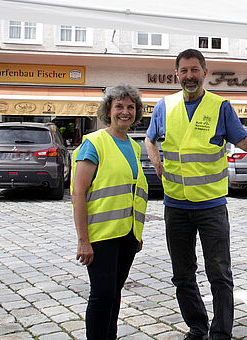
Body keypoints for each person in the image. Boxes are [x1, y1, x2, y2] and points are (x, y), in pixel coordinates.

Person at [145, 49, 247, 340]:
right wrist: (155, 161)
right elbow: (149, 138)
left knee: (219, 274)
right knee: (182, 275)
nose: (189, 76)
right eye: (184, 71)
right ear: (176, 74)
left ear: (205, 72)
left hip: (211, 207)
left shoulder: (220, 107)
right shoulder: (164, 106)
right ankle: (197, 327)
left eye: (195, 70)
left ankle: (221, 333)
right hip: (175, 206)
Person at [71, 84, 148, 340]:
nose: (125, 112)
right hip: (100, 236)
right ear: (109, 110)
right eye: (119, 106)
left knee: (114, 293)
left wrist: (137, 233)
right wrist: (83, 241)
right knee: (102, 295)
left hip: (127, 235)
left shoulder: (134, 147)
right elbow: (78, 193)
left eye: (130, 107)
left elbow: (133, 193)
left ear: (136, 112)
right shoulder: (94, 143)